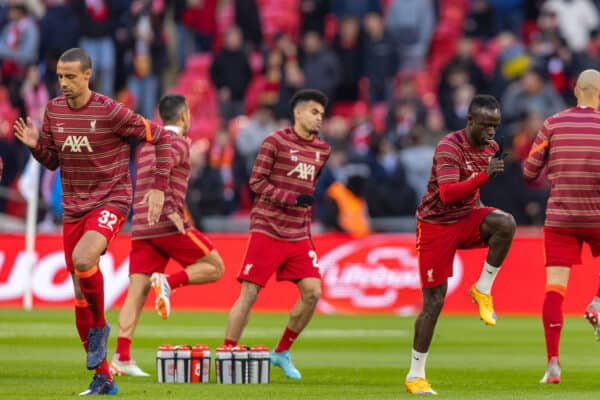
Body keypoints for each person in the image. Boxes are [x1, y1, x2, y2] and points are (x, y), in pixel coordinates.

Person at [13, 47, 174, 395]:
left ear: (88, 75)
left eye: (71, 76)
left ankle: (100, 327)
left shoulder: (110, 111)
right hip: (74, 207)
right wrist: (34, 147)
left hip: (112, 199)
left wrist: (159, 187)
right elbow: (53, 161)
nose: (64, 83)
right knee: (78, 289)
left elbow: (160, 137)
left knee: (84, 260)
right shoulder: (53, 111)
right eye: (59, 76)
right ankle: (104, 376)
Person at [405, 95, 516, 395]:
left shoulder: (491, 149)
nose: (492, 132)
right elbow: (448, 195)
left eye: (495, 125)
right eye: (486, 125)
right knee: (434, 303)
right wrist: (484, 176)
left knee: (505, 223)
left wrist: (482, 211)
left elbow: (470, 196)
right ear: (470, 121)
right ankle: (416, 374)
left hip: (464, 218)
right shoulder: (448, 147)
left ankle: (483, 288)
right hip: (436, 225)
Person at [110, 94, 225, 377]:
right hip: (167, 222)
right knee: (215, 267)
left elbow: (151, 171)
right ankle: (168, 283)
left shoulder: (145, 145)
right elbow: (167, 163)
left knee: (135, 293)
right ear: (184, 115)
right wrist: (172, 207)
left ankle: (121, 357)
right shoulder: (178, 143)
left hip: (141, 225)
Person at [223, 89, 331, 379]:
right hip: (268, 226)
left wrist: (301, 207)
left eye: (322, 114)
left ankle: (281, 351)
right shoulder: (275, 141)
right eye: (313, 112)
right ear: (298, 113)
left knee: (313, 293)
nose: (319, 118)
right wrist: (289, 198)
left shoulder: (323, 150)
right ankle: (228, 353)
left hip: (298, 233)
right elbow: (256, 182)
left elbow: (309, 189)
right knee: (249, 293)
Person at [523, 69, 600, 384]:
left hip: (560, 218)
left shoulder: (552, 124)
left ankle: (553, 365)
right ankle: (597, 302)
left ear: (574, 90)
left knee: (555, 289)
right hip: (597, 216)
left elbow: (529, 172)